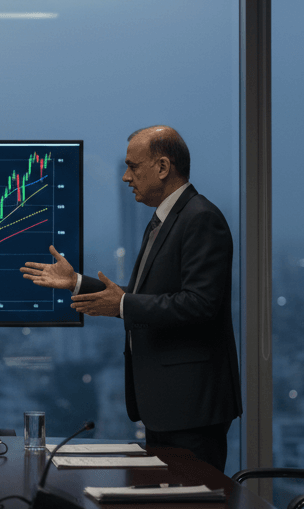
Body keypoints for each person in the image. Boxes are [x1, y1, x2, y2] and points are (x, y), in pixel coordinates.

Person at [21, 125, 241, 470]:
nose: (126, 177)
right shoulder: (163, 221)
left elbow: (200, 304)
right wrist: (77, 282)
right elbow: (147, 296)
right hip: (166, 406)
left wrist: (122, 306)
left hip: (191, 408)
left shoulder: (201, 219)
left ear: (163, 168)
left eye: (133, 166)